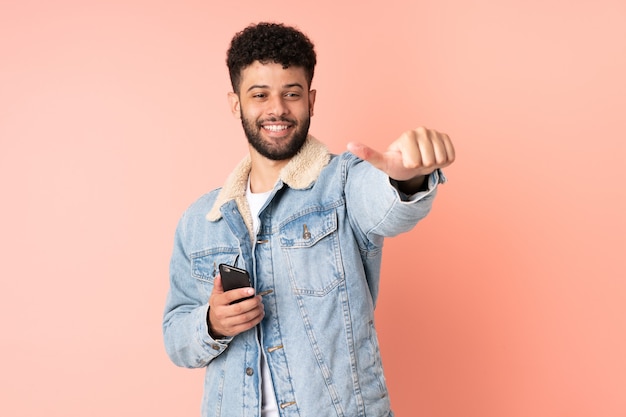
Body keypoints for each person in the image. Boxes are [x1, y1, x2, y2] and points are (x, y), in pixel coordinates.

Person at [163, 22, 455, 417]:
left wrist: (408, 177)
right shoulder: (201, 219)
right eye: (259, 94)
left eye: (292, 94)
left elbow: (387, 204)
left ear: (311, 101)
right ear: (236, 104)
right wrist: (212, 323)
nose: (277, 109)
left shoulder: (344, 181)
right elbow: (176, 337)